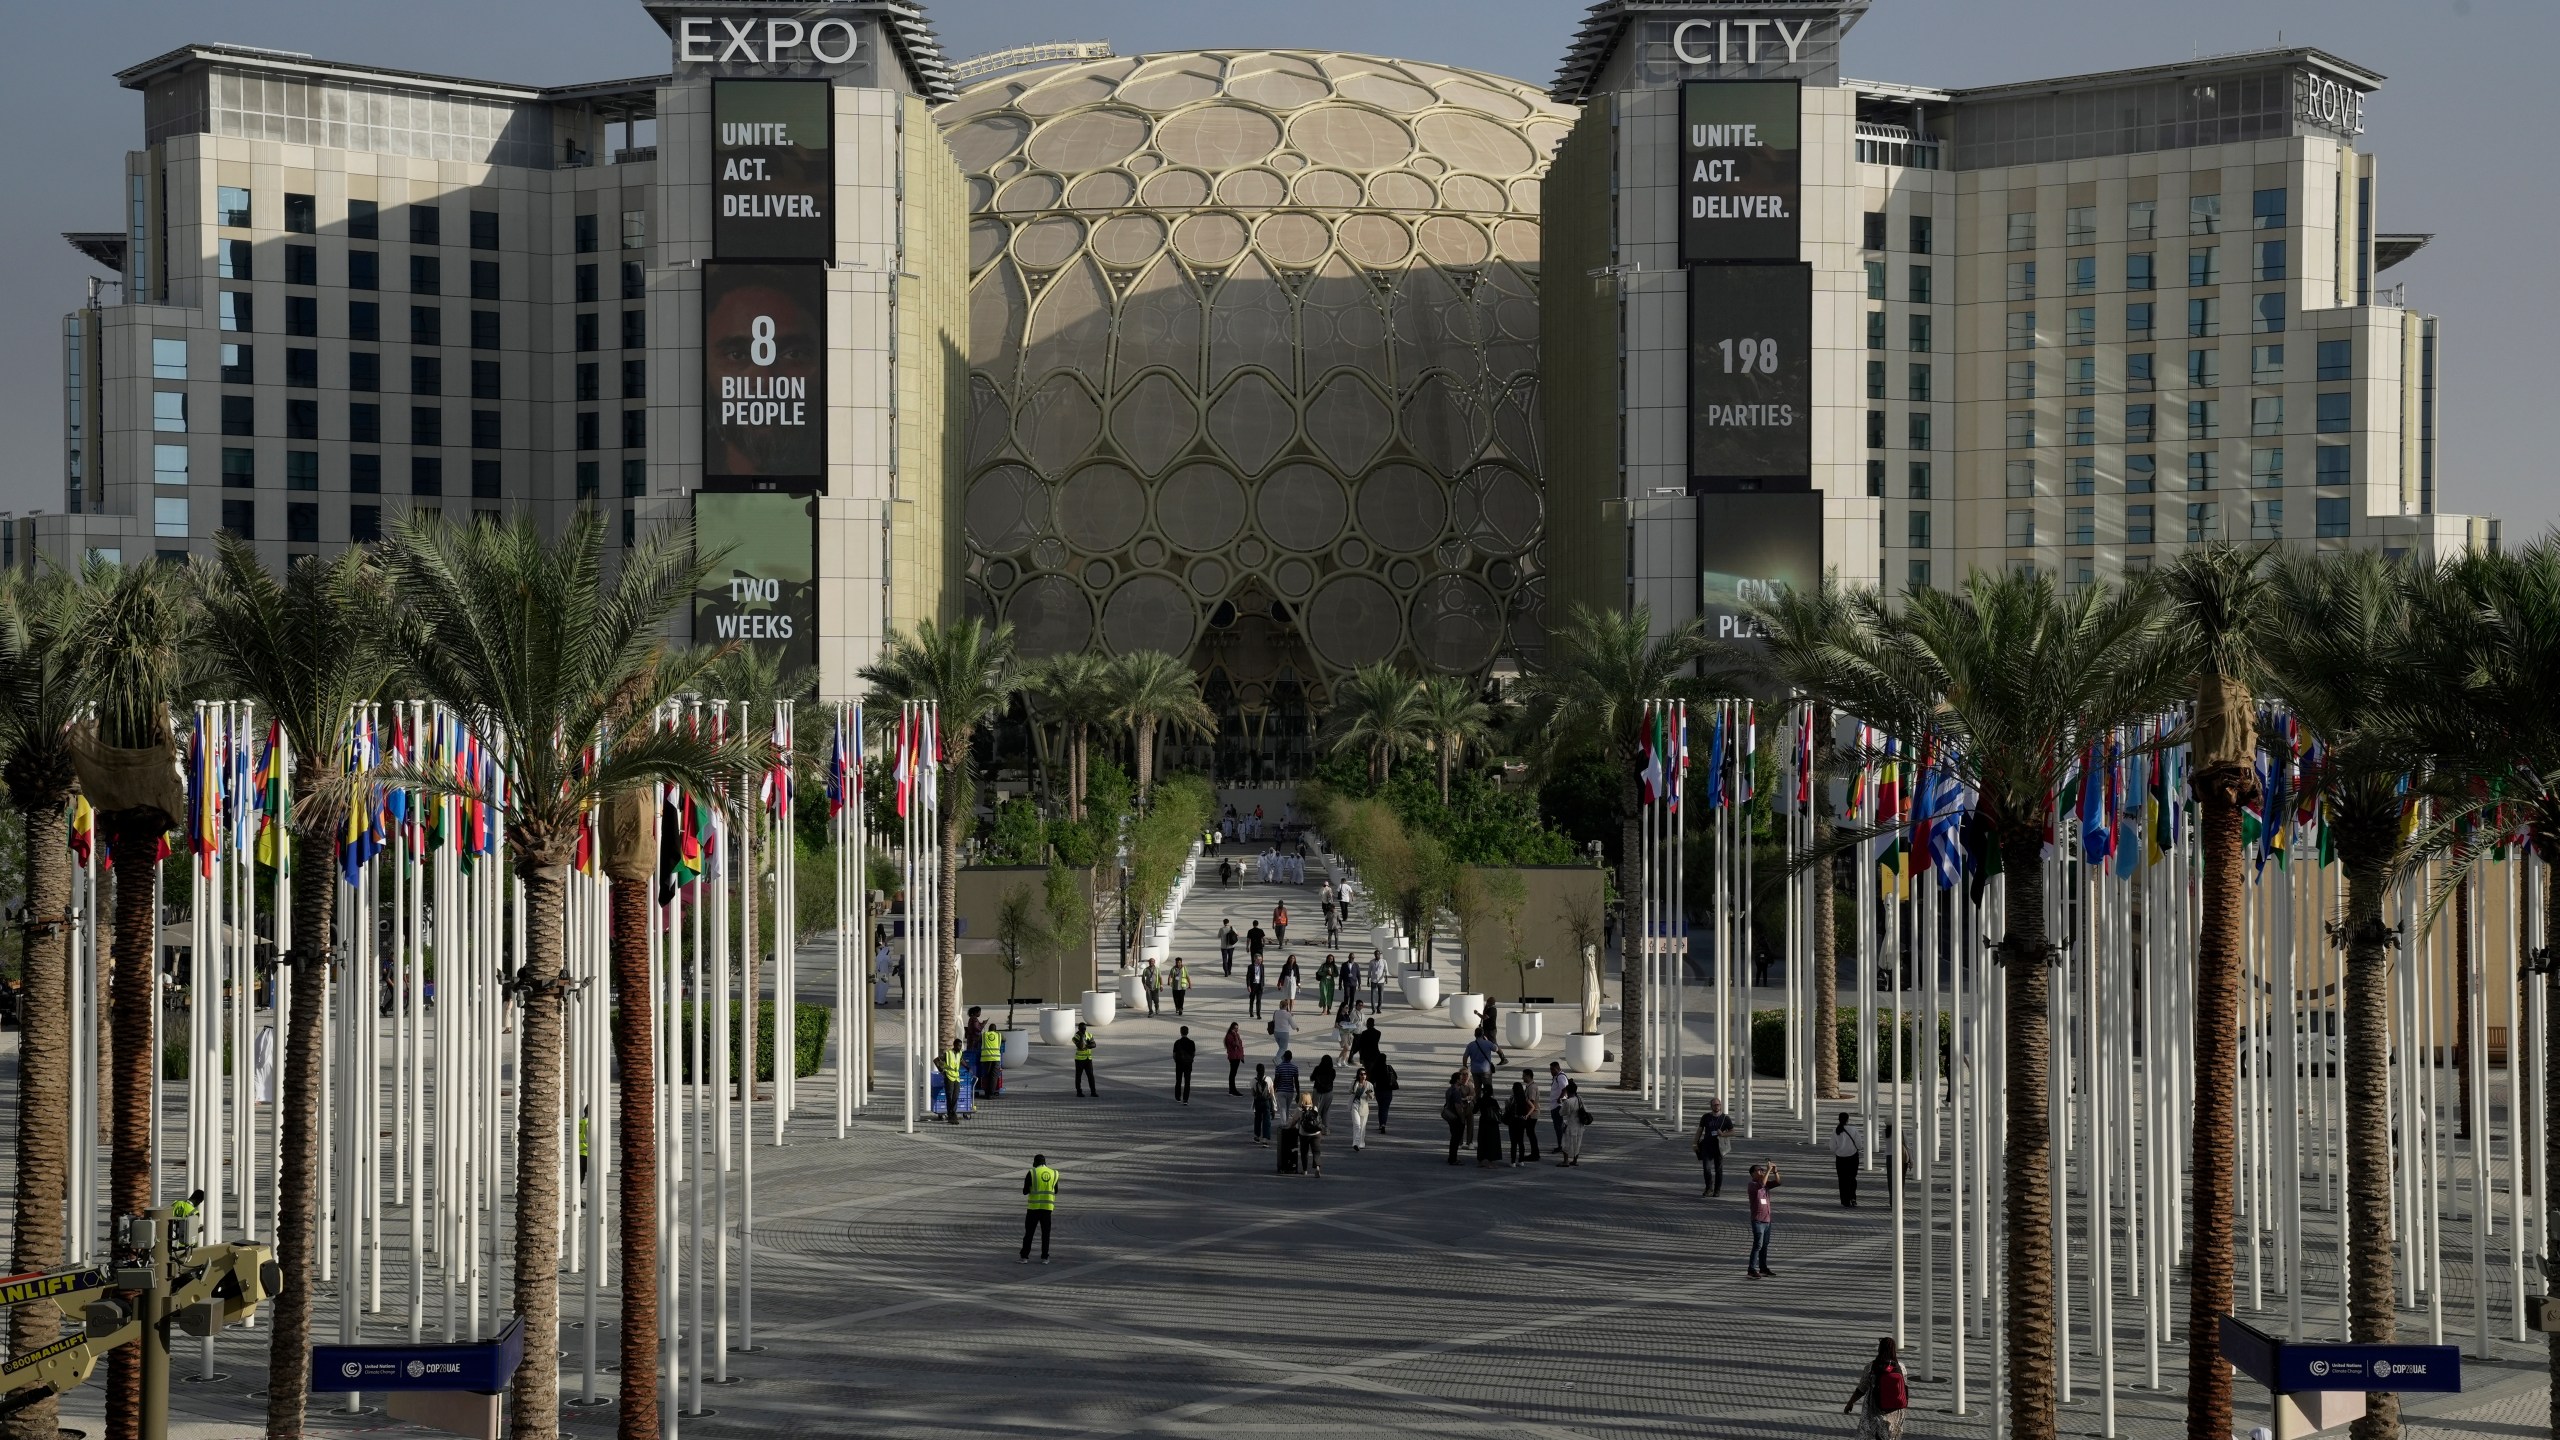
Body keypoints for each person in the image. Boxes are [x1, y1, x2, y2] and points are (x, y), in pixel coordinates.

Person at [1842, 1336, 1910, 1438]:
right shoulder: (1901, 1367)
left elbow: (1861, 1389)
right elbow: (1904, 1388)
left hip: (1875, 1409)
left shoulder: (1871, 1367)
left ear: (1880, 1349)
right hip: (1896, 1411)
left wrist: (1850, 1403)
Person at [1745, 1162, 1782, 1277]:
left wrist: (1775, 1171)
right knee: (1758, 1245)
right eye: (1758, 1170)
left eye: (1762, 1170)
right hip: (1758, 1221)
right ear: (1752, 1174)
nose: (1761, 1171)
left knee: (1764, 1245)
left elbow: (1778, 1182)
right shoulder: (1752, 1185)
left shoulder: (1765, 1184)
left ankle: (1763, 1268)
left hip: (1767, 1220)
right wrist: (1767, 1170)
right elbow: (1761, 1184)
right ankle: (1751, 1269)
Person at [1020, 1154, 1059, 1263]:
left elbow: (1025, 1191)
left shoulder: (1032, 1172)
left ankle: (1024, 1257)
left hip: (1033, 1208)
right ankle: (1045, 1257)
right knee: (1046, 1234)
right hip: (1047, 1208)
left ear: (1035, 1162)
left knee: (1029, 1233)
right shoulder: (1054, 1173)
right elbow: (1055, 1191)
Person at [1695, 1100, 1735, 1197]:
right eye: (1715, 1105)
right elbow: (1700, 1130)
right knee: (1706, 1169)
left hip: (1719, 1147)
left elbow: (1733, 1132)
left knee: (1718, 1169)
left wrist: (1723, 1134)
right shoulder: (1706, 1117)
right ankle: (1709, 1188)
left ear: (1720, 1106)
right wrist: (1694, 1143)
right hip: (1706, 1146)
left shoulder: (1725, 1118)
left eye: (1718, 1105)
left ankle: (1717, 1190)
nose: (1717, 1106)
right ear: (1711, 1106)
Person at [1831, 1114, 1864, 1207]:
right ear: (1848, 1120)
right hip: (1853, 1157)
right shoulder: (1853, 1129)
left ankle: (1845, 1200)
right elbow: (1859, 1145)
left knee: (1842, 1179)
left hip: (1840, 1158)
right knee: (1852, 1178)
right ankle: (1853, 1198)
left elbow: (1832, 1147)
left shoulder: (1835, 1130)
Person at [1556, 1081, 1591, 1166]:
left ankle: (1566, 1161)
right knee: (1577, 1142)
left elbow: (1562, 1113)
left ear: (1568, 1091)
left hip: (1571, 1125)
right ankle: (1575, 1161)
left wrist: (1564, 1102)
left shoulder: (1568, 1102)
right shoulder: (1580, 1098)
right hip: (1580, 1125)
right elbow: (1585, 1109)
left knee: (1566, 1143)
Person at [1514, 1069, 1543, 1163]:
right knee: (1530, 1133)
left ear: (1528, 1076)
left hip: (1532, 1114)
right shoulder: (1530, 1086)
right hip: (1531, 1113)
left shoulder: (1531, 1088)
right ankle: (1534, 1153)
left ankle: (1535, 1154)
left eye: (1524, 1075)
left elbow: (1531, 1102)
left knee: (1531, 1133)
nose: (1522, 1077)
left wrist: (1526, 1114)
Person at [1503, 1081, 1535, 1167]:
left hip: (1513, 1121)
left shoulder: (1512, 1098)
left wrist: (1506, 1104)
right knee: (1521, 1141)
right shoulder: (1524, 1098)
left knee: (1513, 1142)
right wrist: (1527, 1115)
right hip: (1521, 1121)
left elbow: (1507, 1109)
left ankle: (1513, 1161)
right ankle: (1521, 1160)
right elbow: (1532, 1107)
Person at [1442, 1071, 1470, 1165]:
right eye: (1461, 1078)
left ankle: (1452, 1157)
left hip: (1450, 1116)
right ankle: (1453, 1158)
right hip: (1456, 1117)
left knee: (1453, 1137)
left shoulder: (1449, 1090)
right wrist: (1462, 1118)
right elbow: (1458, 1107)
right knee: (1456, 1138)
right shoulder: (1456, 1092)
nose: (1463, 1080)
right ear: (1457, 1080)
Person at [1296, 1093, 1327, 1179]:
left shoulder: (1299, 1110)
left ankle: (1305, 1170)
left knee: (1304, 1152)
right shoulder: (1315, 1108)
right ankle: (1317, 1167)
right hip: (1316, 1133)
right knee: (1316, 1151)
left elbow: (1293, 1121)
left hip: (1304, 1134)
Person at [1473, 1088, 1503, 1168]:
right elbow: (1498, 1111)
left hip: (1483, 1123)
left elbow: (1474, 1111)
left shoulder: (1480, 1100)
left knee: (1482, 1140)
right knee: (1492, 1142)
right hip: (1492, 1124)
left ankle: (1481, 1160)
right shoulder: (1493, 1101)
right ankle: (1491, 1161)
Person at [938, 1038, 966, 1124]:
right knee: (949, 1097)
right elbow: (936, 1060)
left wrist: (967, 1067)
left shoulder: (960, 1053)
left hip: (956, 1077)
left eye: (961, 1045)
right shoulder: (948, 1053)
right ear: (954, 1045)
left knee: (955, 1096)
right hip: (949, 1077)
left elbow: (961, 1061)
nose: (960, 1047)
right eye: (958, 1045)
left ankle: (952, 1113)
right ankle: (951, 1115)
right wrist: (941, 1070)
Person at [1348, 1066, 1374, 1151]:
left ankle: (1361, 1143)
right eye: (1361, 1074)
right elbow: (1350, 1091)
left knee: (1362, 1126)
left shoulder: (1369, 1085)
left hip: (1364, 1107)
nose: (1363, 1076)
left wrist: (1368, 1094)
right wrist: (1354, 1088)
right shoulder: (1355, 1083)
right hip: (1355, 1105)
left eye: (1365, 1074)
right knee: (1357, 1125)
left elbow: (1371, 1097)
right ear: (1358, 1075)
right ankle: (1356, 1143)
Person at [978, 1021, 1004, 1101]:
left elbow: (979, 1041)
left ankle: (986, 1093)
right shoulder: (999, 1035)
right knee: (994, 1077)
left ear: (989, 1029)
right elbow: (1005, 1039)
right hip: (996, 1059)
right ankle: (991, 1094)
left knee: (986, 1076)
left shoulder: (984, 1034)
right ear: (995, 1030)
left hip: (985, 1059)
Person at [1370, 1059, 1398, 1133]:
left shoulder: (1375, 1069)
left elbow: (1370, 1080)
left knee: (1380, 1107)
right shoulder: (1389, 1068)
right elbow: (1395, 1077)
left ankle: (1380, 1124)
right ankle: (1383, 1124)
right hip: (1388, 1091)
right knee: (1385, 1108)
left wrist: (1369, 1093)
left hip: (1378, 1091)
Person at [1251, 1064, 1276, 1145]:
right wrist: (1273, 1107)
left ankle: (1257, 1136)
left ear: (1256, 1070)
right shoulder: (1268, 1079)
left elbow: (1253, 1093)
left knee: (1257, 1119)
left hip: (1257, 1102)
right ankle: (1265, 1139)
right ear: (1264, 1070)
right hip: (1266, 1101)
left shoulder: (1253, 1080)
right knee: (1266, 1120)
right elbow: (1272, 1093)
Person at [1072, 1023, 1099, 1097]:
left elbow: (1094, 1045)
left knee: (1090, 1076)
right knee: (1078, 1076)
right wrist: (1081, 1036)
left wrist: (1086, 1046)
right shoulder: (1075, 1037)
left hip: (1088, 1059)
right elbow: (1080, 1046)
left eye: (1084, 1029)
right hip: (1079, 1059)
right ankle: (1079, 1092)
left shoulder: (1089, 1035)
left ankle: (1093, 1092)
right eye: (1082, 1029)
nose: (1083, 1030)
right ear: (1079, 1029)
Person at [1172, 1026, 1197, 1104]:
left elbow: (1174, 1054)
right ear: (1188, 1032)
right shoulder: (1191, 1042)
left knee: (1178, 1080)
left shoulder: (1177, 1042)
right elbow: (1193, 1053)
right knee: (1187, 1081)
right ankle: (1185, 1099)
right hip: (1188, 1064)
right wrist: (1191, 1060)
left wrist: (1176, 1061)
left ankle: (1178, 1097)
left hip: (1179, 1064)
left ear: (1180, 1032)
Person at [1311, 1053, 1337, 1122]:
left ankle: (1315, 1125)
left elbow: (1312, 1078)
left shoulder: (1317, 1069)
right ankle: (1325, 1127)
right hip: (1328, 1092)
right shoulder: (1332, 1071)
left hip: (1317, 1091)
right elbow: (1332, 1079)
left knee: (1316, 1109)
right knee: (1326, 1111)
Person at [1272, 997, 1297, 1061]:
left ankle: (1283, 1060)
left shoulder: (1276, 1012)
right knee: (1283, 1048)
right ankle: (1276, 1059)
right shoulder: (1288, 1014)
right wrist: (1296, 1027)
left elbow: (1274, 1020)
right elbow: (1293, 1025)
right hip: (1284, 1033)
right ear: (1286, 1006)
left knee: (1281, 1047)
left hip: (1276, 1033)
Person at [1223, 1022, 1246, 1094]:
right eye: (1235, 1028)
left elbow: (1240, 1046)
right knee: (1232, 1073)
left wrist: (1242, 1056)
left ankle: (1232, 1089)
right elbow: (1236, 1044)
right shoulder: (1230, 1036)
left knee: (1234, 1073)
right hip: (1233, 1057)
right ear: (1231, 1029)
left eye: (1237, 1028)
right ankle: (1232, 1089)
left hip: (1237, 1056)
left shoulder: (1236, 1035)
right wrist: (1235, 1035)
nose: (1236, 1030)